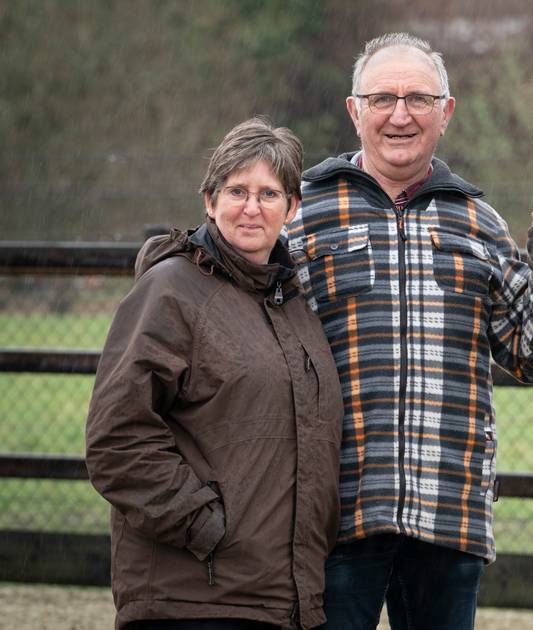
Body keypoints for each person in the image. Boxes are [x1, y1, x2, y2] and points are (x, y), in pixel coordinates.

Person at [285, 33, 533, 630]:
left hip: (448, 514)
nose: (400, 114)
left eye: (419, 99)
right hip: (333, 514)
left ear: (445, 113)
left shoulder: (480, 222)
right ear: (355, 110)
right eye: (383, 98)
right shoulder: (302, 214)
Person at [85, 117, 344, 630]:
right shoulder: (171, 291)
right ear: (209, 199)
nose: (252, 207)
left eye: (269, 194)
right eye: (237, 190)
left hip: (282, 601)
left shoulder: (292, 305)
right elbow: (117, 437)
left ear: (292, 207)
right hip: (193, 597)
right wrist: (204, 526)